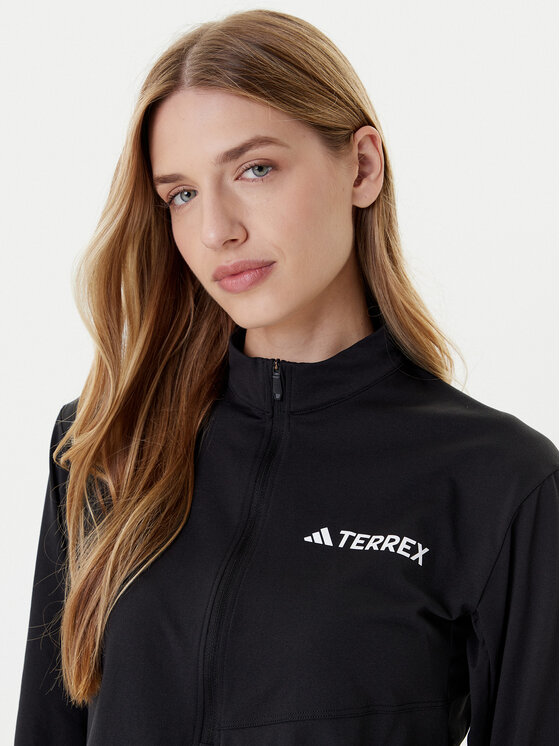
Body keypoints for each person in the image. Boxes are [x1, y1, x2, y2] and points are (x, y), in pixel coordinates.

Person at [14, 8, 558, 746]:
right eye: (181, 194)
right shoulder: (108, 444)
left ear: (362, 167)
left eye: (255, 169)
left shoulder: (496, 480)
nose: (217, 230)